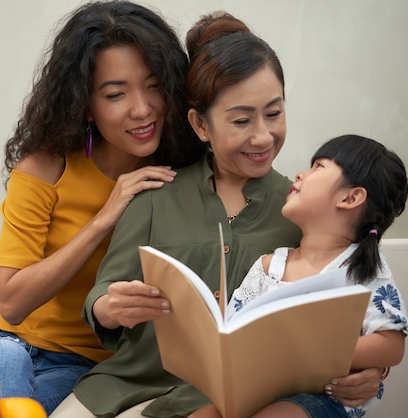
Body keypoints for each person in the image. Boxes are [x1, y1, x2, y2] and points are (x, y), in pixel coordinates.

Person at [51, 12, 384, 418]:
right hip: (127, 386)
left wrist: (374, 369)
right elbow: (100, 297)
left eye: (274, 113)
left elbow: (354, 312)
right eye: (241, 120)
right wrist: (112, 305)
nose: (263, 136)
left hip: (235, 398)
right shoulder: (153, 196)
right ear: (200, 125)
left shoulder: (304, 211)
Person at [0, 1, 206, 414]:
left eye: (153, 85)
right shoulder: (46, 168)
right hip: (1, 342)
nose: (142, 108)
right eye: (116, 94)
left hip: (82, 365)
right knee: (7, 364)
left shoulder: (177, 179)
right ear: (84, 103)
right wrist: (105, 218)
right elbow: (11, 302)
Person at [192, 134, 408, 418]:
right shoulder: (268, 266)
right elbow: (233, 331)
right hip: (256, 389)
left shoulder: (362, 269)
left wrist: (306, 355)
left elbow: (391, 345)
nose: (300, 173)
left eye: (319, 167)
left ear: (350, 197)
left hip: (321, 398)